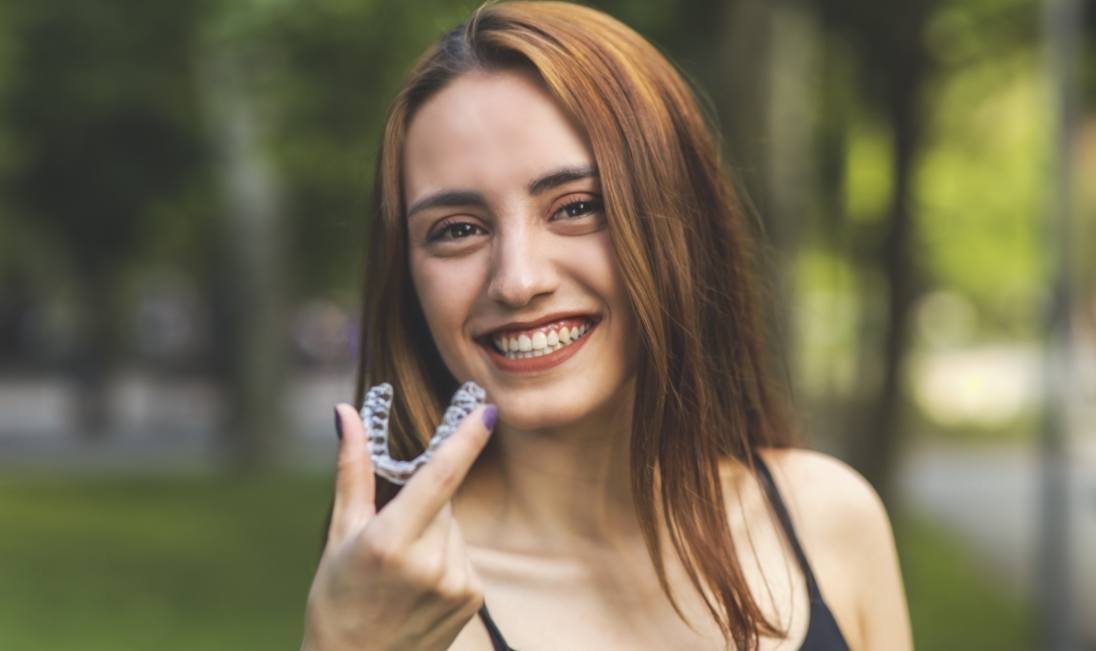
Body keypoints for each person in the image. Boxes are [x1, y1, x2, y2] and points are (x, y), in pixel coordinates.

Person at [301, 2, 912, 649]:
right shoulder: (409, 603)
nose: (518, 278)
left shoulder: (830, 519)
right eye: (457, 230)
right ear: (408, 278)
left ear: (682, 223)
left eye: (577, 207)